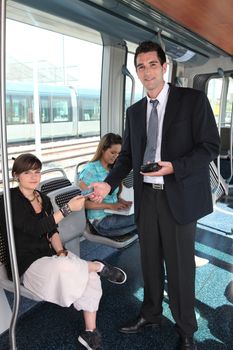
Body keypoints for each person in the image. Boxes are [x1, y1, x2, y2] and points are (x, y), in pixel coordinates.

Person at [89, 41, 220, 350]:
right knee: (148, 261)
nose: (146, 71)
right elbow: (127, 157)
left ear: (164, 67)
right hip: (147, 197)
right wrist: (108, 184)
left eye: (151, 64)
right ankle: (150, 314)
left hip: (179, 194)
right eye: (140, 67)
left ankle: (186, 327)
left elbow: (209, 147)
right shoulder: (134, 112)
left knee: (179, 266)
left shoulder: (193, 100)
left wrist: (174, 167)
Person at [0, 153, 127, 350]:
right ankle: (97, 265)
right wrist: (67, 209)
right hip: (26, 264)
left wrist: (60, 251)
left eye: (37, 172)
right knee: (75, 268)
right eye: (27, 173)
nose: (34, 177)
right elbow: (35, 228)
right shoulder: (8, 201)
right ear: (16, 175)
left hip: (51, 258)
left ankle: (90, 333)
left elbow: (52, 231)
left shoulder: (43, 199)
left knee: (87, 275)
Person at [79, 133, 137, 237]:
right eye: (112, 152)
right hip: (100, 221)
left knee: (143, 222)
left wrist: (121, 201)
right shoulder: (90, 170)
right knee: (142, 220)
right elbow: (83, 204)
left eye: (119, 154)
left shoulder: (113, 170)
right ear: (102, 150)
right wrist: (110, 206)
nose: (116, 156)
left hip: (114, 214)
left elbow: (111, 195)